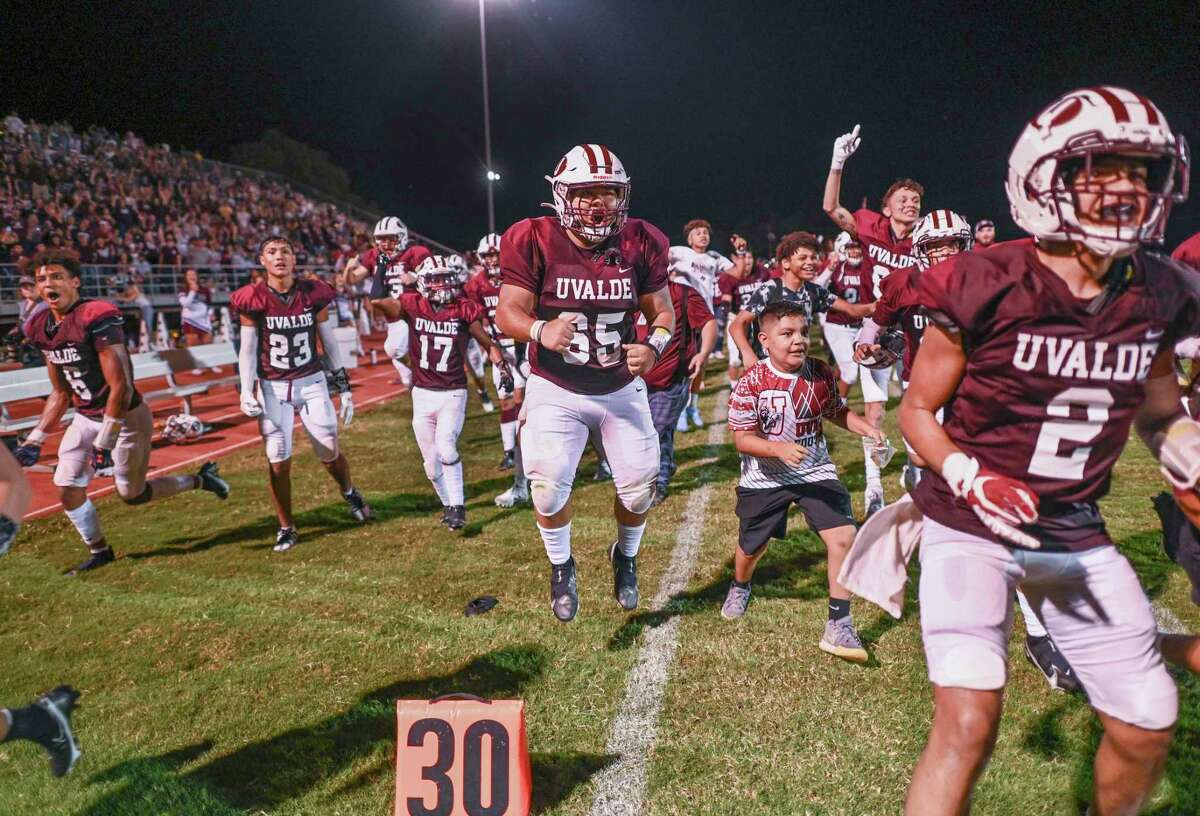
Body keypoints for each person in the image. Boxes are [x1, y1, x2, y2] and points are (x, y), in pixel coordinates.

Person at [897, 86, 1198, 816]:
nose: (1127, 187)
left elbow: (1160, 414)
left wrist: (1187, 445)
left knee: (1147, 720)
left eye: (1142, 172)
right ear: (1045, 177)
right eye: (1105, 167)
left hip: (1070, 527)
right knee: (968, 722)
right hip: (967, 523)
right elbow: (916, 410)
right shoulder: (982, 281)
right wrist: (971, 477)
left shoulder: (1161, 291)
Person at [857, 207, 1084, 693]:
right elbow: (887, 331)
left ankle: (1033, 628)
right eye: (934, 247)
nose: (942, 255)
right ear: (920, 250)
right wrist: (878, 350)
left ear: (965, 245)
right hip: (930, 403)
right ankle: (1029, 628)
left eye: (950, 245)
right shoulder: (903, 283)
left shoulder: (989, 282)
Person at [496, 143, 675, 622]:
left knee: (640, 489)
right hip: (557, 386)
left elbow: (664, 313)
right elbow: (507, 310)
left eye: (609, 193)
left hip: (619, 385)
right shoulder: (532, 237)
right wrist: (539, 329)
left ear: (625, 197)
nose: (599, 204)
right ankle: (562, 565)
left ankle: (626, 556)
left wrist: (654, 346)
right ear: (561, 195)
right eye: (587, 193)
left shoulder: (644, 240)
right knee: (549, 487)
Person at [16, 251, 229, 574]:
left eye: (57, 276)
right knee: (67, 488)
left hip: (125, 418)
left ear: (75, 282)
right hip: (86, 416)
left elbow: (122, 388)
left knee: (132, 494)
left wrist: (105, 441)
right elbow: (60, 392)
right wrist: (35, 438)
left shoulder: (94, 315)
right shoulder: (41, 327)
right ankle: (100, 551)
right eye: (42, 279)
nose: (48, 283)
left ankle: (201, 479)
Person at [721, 301, 886, 665]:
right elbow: (742, 439)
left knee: (844, 536)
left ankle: (839, 622)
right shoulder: (752, 382)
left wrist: (867, 429)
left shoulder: (820, 372)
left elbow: (836, 411)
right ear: (764, 340)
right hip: (764, 479)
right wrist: (776, 449)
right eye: (787, 334)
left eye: (803, 333)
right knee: (751, 547)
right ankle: (740, 585)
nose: (799, 341)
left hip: (814, 471)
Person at [232, 237, 370, 552]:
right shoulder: (252, 298)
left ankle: (349, 490)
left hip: (311, 381)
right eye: (271, 252)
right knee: (278, 461)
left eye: (285, 251)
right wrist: (246, 389)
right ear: (262, 261)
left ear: (294, 259)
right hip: (273, 387)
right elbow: (248, 350)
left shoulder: (312, 292)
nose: (279, 257)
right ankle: (286, 527)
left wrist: (343, 384)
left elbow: (329, 341)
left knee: (329, 454)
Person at [378, 254, 504, 530]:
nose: (441, 284)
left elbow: (488, 342)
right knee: (431, 465)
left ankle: (458, 506)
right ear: (423, 283)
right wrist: (380, 271)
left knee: (446, 447)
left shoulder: (463, 309)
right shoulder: (412, 305)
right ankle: (448, 505)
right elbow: (379, 303)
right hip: (421, 395)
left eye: (445, 278)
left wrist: (500, 366)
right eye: (434, 280)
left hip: (453, 393)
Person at [728, 231, 873, 385]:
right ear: (786, 263)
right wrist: (747, 354)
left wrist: (875, 306)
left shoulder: (814, 291)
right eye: (803, 258)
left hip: (796, 369)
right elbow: (737, 325)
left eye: (813, 257)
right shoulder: (770, 290)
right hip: (766, 370)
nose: (810, 262)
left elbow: (851, 309)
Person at [822, 231, 893, 517]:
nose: (854, 250)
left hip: (889, 327)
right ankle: (874, 486)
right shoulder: (839, 266)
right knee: (870, 405)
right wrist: (829, 265)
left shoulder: (878, 265)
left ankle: (918, 476)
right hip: (856, 327)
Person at [638, 261, 718, 506]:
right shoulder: (629, 295)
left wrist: (702, 354)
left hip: (670, 378)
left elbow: (708, 322)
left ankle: (659, 481)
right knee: (650, 432)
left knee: (655, 430)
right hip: (634, 381)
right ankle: (667, 464)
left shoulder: (682, 293)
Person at [822, 124, 921, 304]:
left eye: (915, 200)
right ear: (886, 210)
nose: (911, 204)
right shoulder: (869, 226)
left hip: (910, 323)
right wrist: (837, 163)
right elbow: (831, 208)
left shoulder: (925, 238)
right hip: (872, 320)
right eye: (903, 199)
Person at [341, 216, 430, 390]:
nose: (386, 243)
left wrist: (416, 275)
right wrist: (347, 268)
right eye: (381, 239)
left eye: (391, 238)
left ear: (402, 237)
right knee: (408, 379)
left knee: (394, 348)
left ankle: (427, 374)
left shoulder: (415, 252)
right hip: (392, 315)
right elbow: (352, 279)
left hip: (414, 310)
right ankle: (423, 378)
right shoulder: (374, 256)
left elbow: (432, 273)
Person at [466, 233, 527, 474]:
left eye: (496, 254)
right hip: (498, 347)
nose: (492, 260)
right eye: (488, 255)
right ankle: (509, 451)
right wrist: (489, 346)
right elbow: (477, 318)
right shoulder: (477, 284)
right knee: (506, 401)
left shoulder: (516, 276)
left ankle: (525, 449)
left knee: (522, 399)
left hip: (521, 344)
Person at [669, 219, 732, 431]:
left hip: (704, 316)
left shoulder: (714, 258)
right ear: (689, 238)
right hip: (681, 315)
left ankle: (692, 407)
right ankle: (679, 411)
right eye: (698, 232)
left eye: (705, 232)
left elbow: (737, 274)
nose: (703, 235)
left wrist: (740, 252)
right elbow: (656, 261)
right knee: (682, 364)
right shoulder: (678, 252)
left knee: (701, 364)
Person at [718, 237, 768, 386]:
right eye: (744, 257)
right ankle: (734, 387)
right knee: (735, 358)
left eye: (750, 257)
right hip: (737, 320)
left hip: (760, 320)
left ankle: (762, 386)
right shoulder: (729, 276)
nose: (747, 261)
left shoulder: (762, 272)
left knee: (764, 355)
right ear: (734, 258)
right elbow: (726, 303)